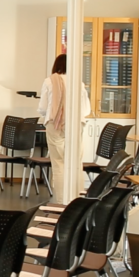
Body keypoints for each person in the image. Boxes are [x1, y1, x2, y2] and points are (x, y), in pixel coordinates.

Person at [37, 54, 91, 198]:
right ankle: (77, 200)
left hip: (54, 124)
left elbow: (43, 108)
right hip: (76, 124)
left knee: (59, 164)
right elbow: (86, 110)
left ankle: (61, 202)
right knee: (76, 164)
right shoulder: (78, 83)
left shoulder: (49, 81)